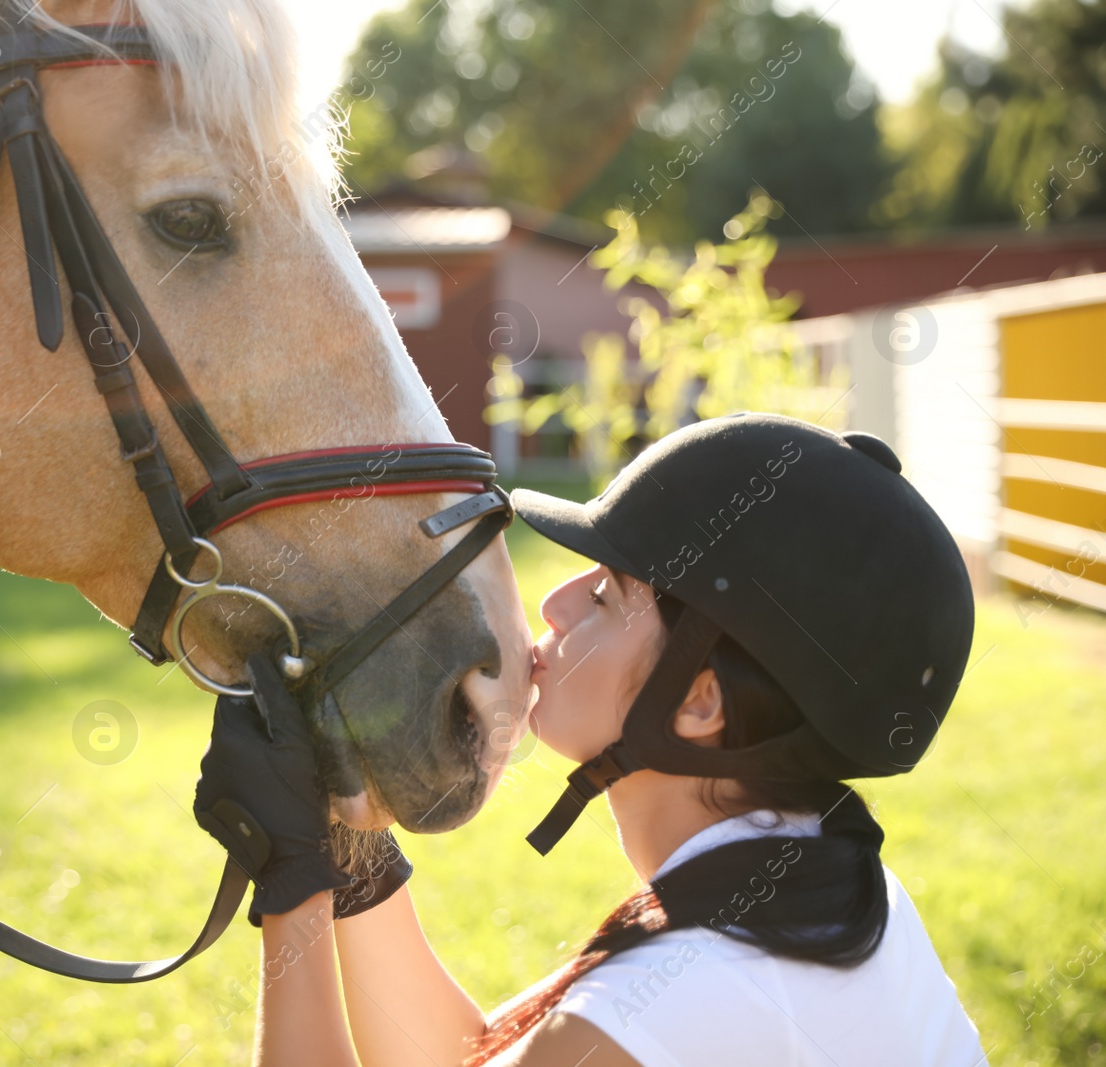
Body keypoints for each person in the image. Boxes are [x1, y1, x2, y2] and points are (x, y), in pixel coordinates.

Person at [194, 413, 990, 1066]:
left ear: (700, 701)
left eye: (606, 595)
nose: (555, 602)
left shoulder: (696, 996)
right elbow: (462, 1057)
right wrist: (347, 848)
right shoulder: (826, 889)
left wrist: (294, 885)